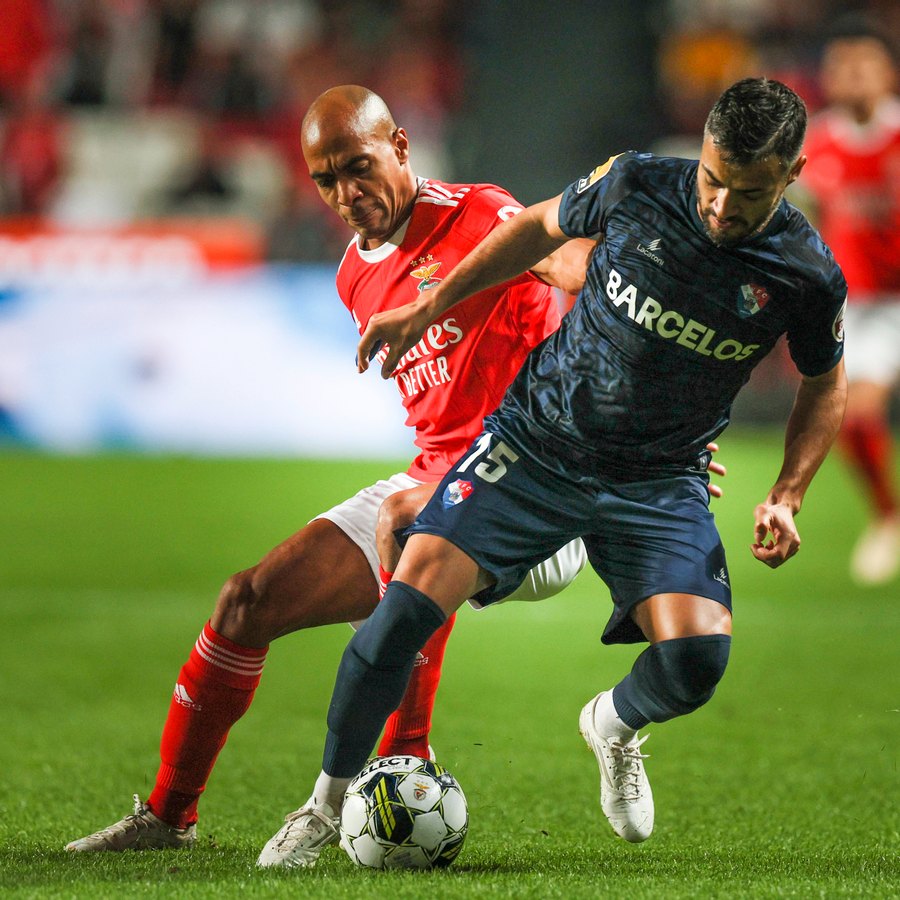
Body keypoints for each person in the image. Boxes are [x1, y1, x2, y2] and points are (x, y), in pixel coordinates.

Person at [299, 77, 848, 849]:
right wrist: (428, 307)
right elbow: (535, 230)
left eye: (748, 194)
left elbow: (825, 383)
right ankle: (324, 809)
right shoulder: (634, 182)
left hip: (661, 478)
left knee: (696, 665)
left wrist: (789, 493)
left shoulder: (806, 273)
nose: (721, 207)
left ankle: (612, 725)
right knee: (400, 615)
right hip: (538, 444)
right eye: (713, 180)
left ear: (790, 176)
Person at [63, 85, 597, 865]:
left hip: (540, 496)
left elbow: (577, 268)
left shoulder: (479, 213)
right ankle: (168, 816)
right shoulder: (354, 274)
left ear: (402, 148)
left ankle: (379, 773)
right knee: (245, 602)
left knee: (415, 519)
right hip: (433, 481)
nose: (347, 194)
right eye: (326, 179)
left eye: (359, 167)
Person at [800, 16, 900, 585]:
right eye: (840, 66)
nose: (852, 76)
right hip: (866, 307)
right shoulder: (815, 143)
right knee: (853, 418)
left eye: (864, 64)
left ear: (888, 72)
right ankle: (887, 518)